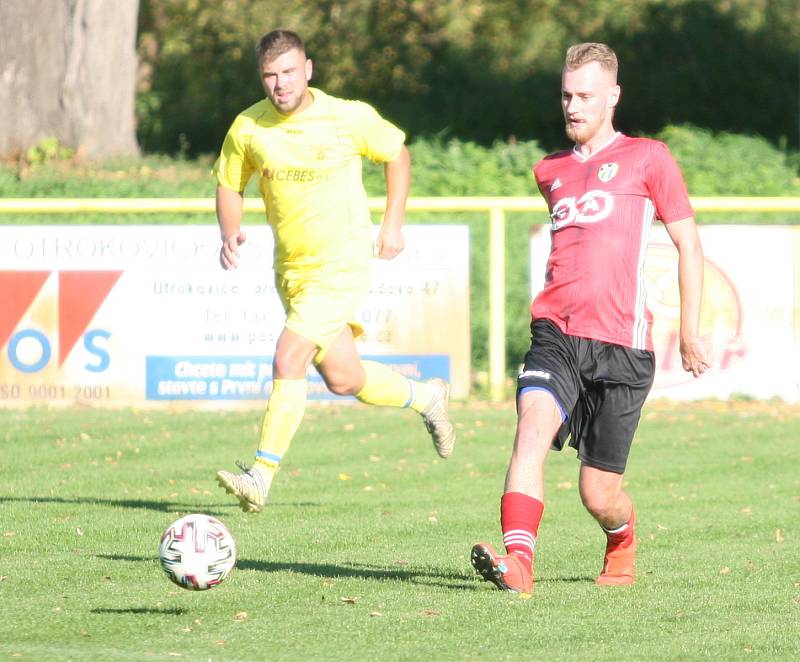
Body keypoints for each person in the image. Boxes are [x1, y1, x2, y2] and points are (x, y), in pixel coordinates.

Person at [470, 42, 709, 594]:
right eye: (566, 95)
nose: (573, 106)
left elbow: (689, 245)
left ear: (613, 96)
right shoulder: (549, 170)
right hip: (556, 332)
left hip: (623, 347)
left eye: (585, 96)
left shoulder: (650, 158)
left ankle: (621, 540)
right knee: (531, 430)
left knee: (598, 495)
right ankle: (519, 564)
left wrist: (691, 331)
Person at [213, 29, 455, 513]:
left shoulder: (347, 117)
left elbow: (396, 155)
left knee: (288, 357)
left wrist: (393, 223)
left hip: (341, 265)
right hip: (292, 271)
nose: (279, 84)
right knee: (344, 378)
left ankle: (261, 474)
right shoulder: (248, 127)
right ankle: (426, 396)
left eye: (288, 72)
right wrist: (229, 229)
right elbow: (229, 181)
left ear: (308, 69)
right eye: (269, 76)